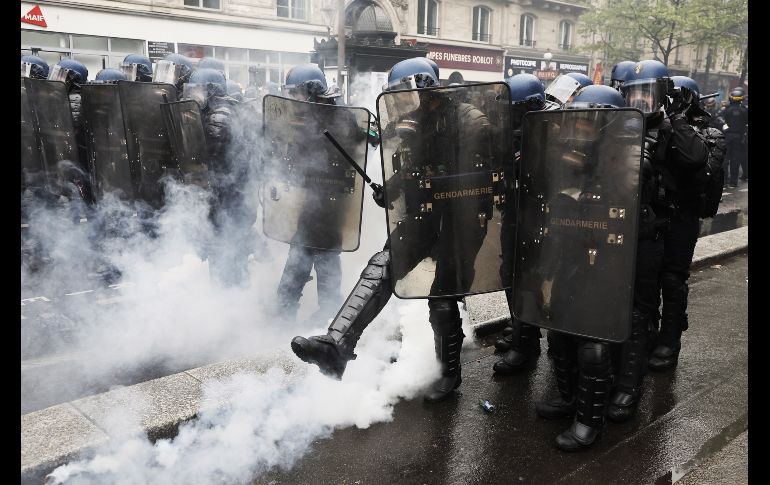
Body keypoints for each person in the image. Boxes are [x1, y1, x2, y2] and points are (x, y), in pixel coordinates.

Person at [290, 57, 498, 402]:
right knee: (382, 267)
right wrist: (393, 188)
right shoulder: (414, 121)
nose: (402, 104)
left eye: (405, 95)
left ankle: (449, 372)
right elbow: (413, 167)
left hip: (462, 221)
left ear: (427, 88)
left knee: (442, 299)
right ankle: (336, 346)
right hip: (425, 214)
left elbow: (479, 182)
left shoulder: (471, 122)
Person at [605, 60, 708, 422]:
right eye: (634, 92)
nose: (641, 99)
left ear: (663, 93)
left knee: (663, 286)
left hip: (664, 222)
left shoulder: (674, 127)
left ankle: (659, 349)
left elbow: (696, 158)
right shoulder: (619, 122)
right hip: (621, 222)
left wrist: (675, 120)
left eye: (648, 92)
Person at [531, 84, 632, 451]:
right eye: (576, 125)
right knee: (559, 328)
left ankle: (590, 420)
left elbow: (629, 210)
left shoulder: (629, 162)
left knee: (593, 341)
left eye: (587, 126)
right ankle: (568, 396)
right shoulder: (570, 160)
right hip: (571, 254)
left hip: (605, 261)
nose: (577, 134)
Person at [648, 76, 725, 371]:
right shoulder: (660, 126)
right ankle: (650, 334)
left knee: (672, 278)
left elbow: (699, 169)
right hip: (656, 214)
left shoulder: (712, 133)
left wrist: (678, 121)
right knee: (648, 277)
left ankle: (670, 339)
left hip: (684, 216)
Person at [271, 64, 348, 319]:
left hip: (330, 209)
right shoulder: (305, 118)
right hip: (310, 208)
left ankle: (326, 326)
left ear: (312, 91)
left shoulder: (338, 119)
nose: (294, 100)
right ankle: (283, 320)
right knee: (297, 266)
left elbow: (346, 156)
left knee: (324, 273)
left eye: (297, 94)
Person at [492, 73, 546, 372]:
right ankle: (524, 334)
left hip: (536, 219)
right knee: (511, 275)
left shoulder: (547, 136)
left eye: (512, 110)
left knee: (528, 279)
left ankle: (524, 347)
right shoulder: (510, 138)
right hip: (513, 217)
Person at [181, 68, 254, 287]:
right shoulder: (215, 111)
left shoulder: (220, 116)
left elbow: (207, 155)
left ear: (211, 91)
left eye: (198, 91)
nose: (193, 96)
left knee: (226, 249)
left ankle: (231, 297)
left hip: (229, 196)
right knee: (227, 250)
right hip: (229, 194)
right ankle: (234, 294)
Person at [47, 58, 94, 206]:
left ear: (72, 78)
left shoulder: (72, 101)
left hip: (72, 163)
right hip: (75, 163)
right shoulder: (63, 99)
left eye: (62, 75)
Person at [721, 87, 748, 187]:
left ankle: (724, 181)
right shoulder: (744, 110)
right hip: (739, 137)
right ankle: (733, 182)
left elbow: (722, 122)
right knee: (735, 159)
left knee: (725, 159)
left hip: (727, 136)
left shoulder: (726, 110)